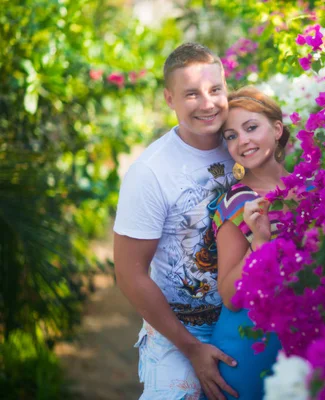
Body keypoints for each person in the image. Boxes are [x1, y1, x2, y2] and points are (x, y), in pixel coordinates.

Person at [113, 43, 239, 400]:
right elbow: (129, 274)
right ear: (170, 99)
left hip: (241, 319)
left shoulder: (243, 144)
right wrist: (191, 348)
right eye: (191, 94)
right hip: (178, 330)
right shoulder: (149, 173)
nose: (207, 103)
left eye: (215, 90)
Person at [210, 87, 301, 399]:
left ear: (277, 129)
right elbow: (230, 296)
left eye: (251, 128)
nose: (242, 141)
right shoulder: (236, 203)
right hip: (251, 347)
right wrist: (260, 242)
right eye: (231, 135)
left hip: (308, 344)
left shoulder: (314, 189)